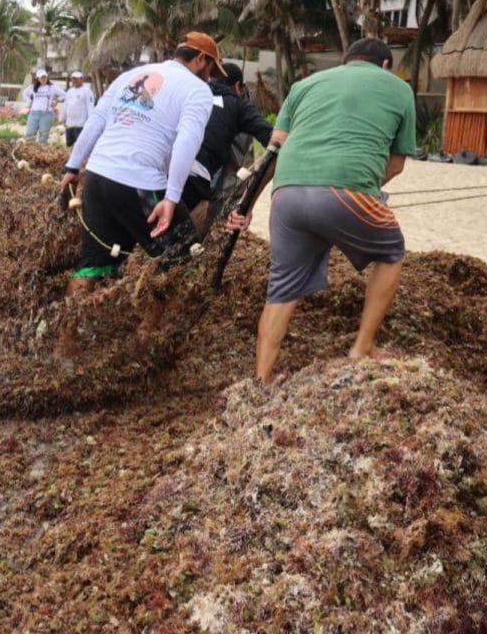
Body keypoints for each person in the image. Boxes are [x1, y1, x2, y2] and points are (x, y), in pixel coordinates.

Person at [227, 37, 417, 384]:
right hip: (347, 193)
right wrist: (363, 189)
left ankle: (262, 379)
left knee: (281, 289)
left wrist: (246, 206)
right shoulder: (397, 88)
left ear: (346, 61)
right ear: (385, 66)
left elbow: (271, 153)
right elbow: (397, 164)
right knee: (392, 252)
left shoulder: (303, 85)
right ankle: (363, 347)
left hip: (286, 195)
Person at [58, 32, 222, 296]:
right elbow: (187, 141)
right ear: (201, 59)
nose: (212, 76)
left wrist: (72, 168)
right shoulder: (198, 90)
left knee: (94, 263)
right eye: (212, 68)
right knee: (183, 260)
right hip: (140, 182)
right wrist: (171, 197)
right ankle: (153, 334)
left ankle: (66, 330)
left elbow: (97, 119)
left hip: (97, 176)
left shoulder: (131, 75)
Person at [181, 62, 273, 234]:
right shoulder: (238, 104)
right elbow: (273, 140)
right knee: (190, 238)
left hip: (156, 170)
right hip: (195, 176)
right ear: (238, 86)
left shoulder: (190, 92)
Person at [23, 68, 65, 143]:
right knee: (29, 135)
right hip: (34, 113)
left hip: (47, 114)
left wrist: (56, 101)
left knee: (43, 137)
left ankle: (41, 152)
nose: (43, 78)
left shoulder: (53, 87)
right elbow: (25, 94)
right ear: (38, 78)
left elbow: (64, 95)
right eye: (41, 77)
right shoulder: (33, 87)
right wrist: (29, 102)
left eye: (45, 76)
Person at [60, 69, 96, 147]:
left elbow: (90, 107)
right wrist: (62, 119)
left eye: (77, 78)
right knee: (69, 145)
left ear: (81, 79)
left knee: (80, 146)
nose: (74, 80)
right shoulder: (69, 91)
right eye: (73, 78)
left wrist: (90, 123)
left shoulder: (87, 91)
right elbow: (65, 106)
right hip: (70, 125)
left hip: (81, 125)